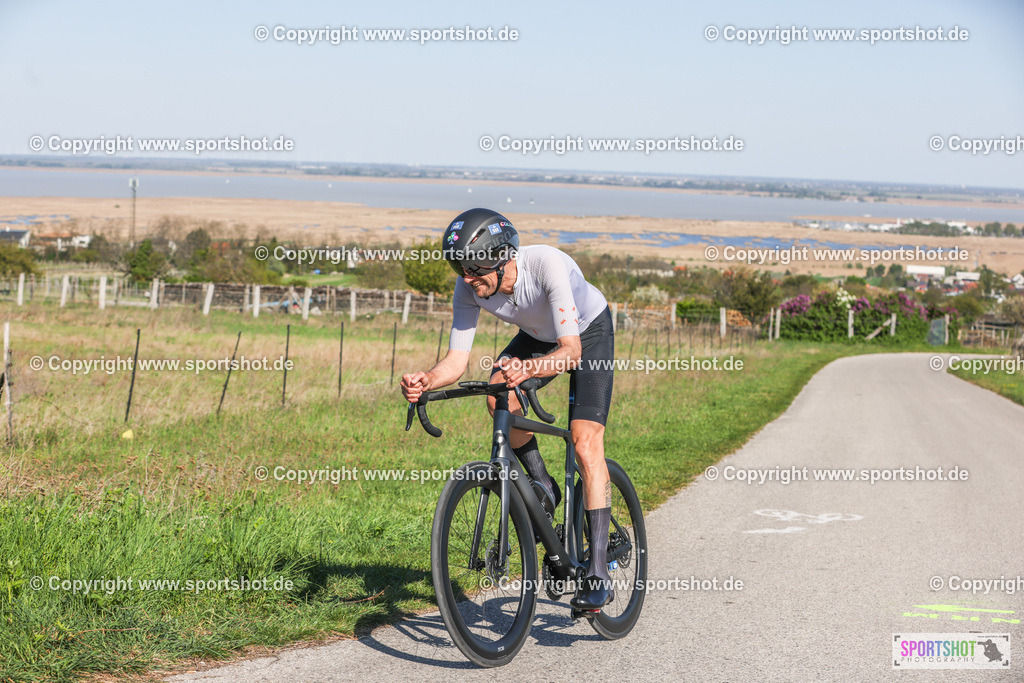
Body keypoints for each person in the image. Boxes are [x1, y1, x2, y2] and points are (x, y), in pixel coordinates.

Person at [400, 208, 616, 610]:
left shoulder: (546, 265)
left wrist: (528, 368)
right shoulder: (468, 288)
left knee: (585, 442)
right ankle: (542, 484)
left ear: (503, 256)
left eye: (476, 266)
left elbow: (571, 351)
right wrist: (427, 379)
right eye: (460, 267)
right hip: (537, 335)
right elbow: (457, 361)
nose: (467, 277)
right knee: (497, 389)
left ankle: (599, 571)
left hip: (587, 334)